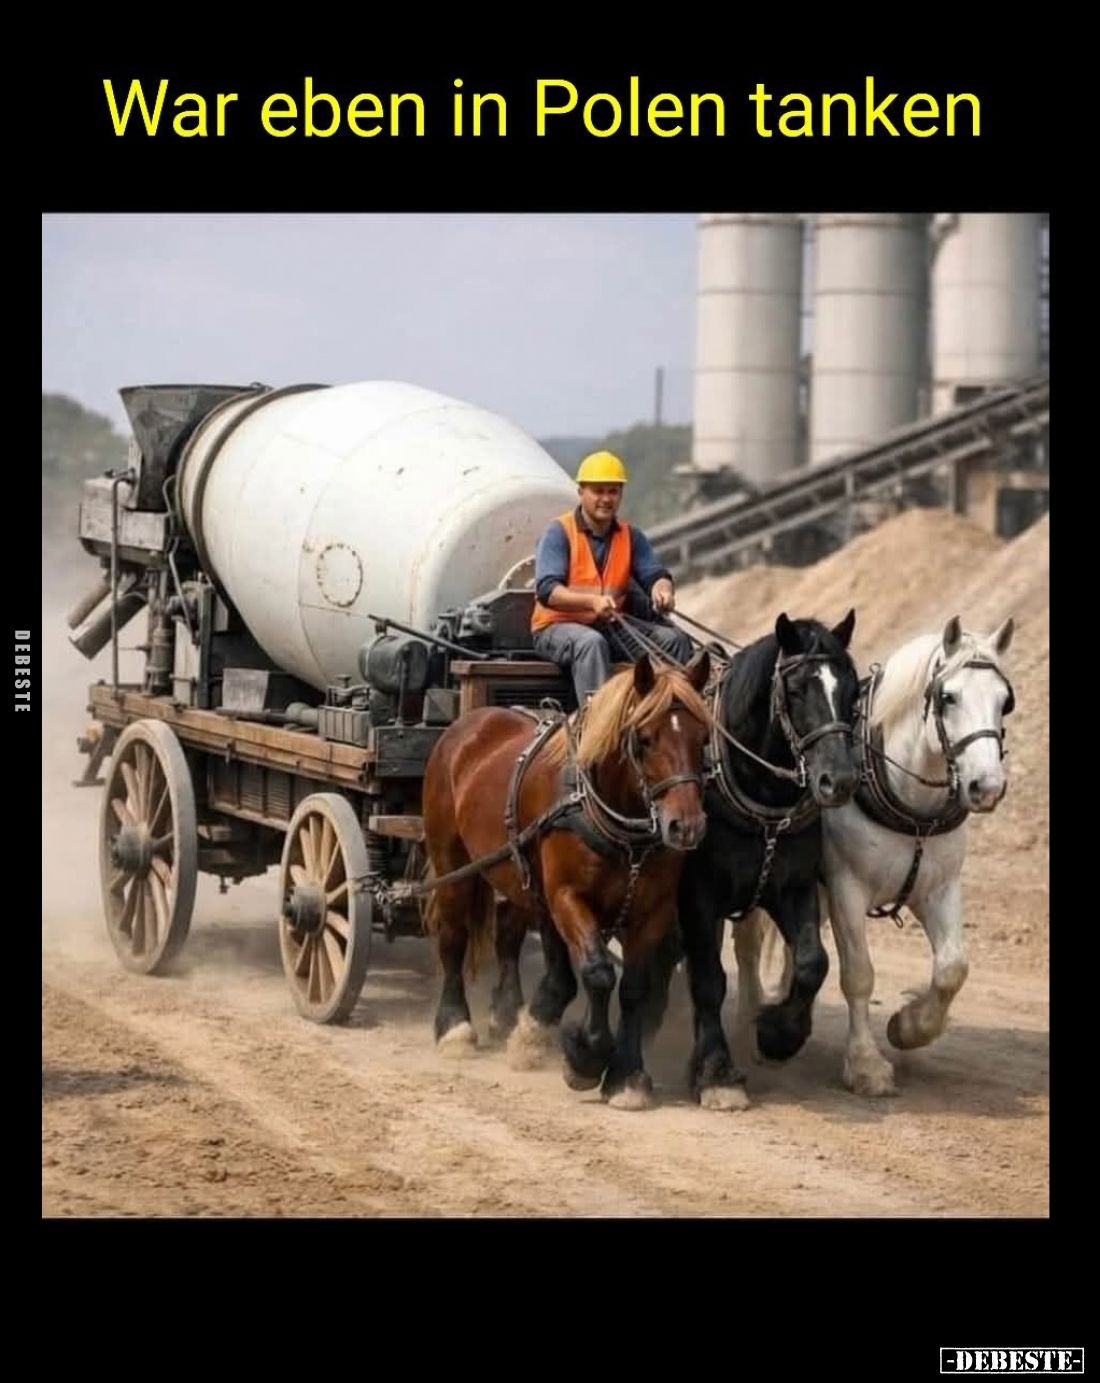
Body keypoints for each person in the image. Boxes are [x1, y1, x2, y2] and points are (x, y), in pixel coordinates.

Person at [530, 449, 694, 706]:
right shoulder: (558, 533)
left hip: (610, 626)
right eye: (598, 491)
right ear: (581, 492)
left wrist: (663, 592)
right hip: (555, 627)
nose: (606, 499)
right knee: (591, 644)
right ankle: (597, 723)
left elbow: (655, 575)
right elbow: (547, 590)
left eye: (613, 491)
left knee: (674, 641)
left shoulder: (631, 536)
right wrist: (591, 603)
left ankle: (665, 715)